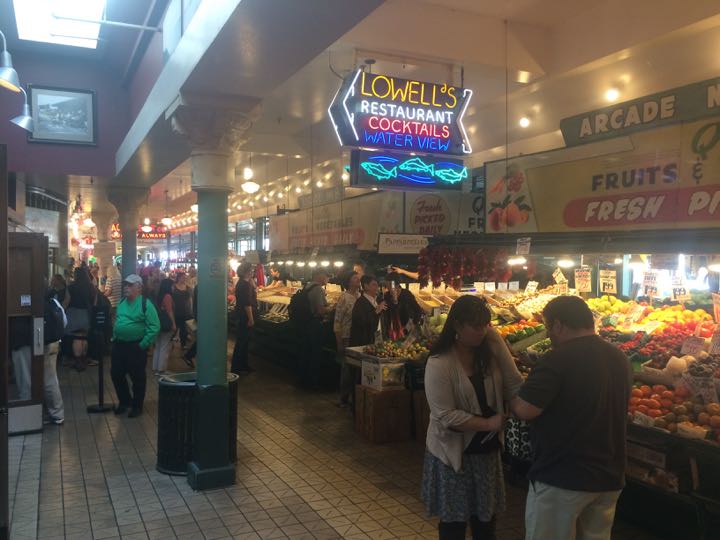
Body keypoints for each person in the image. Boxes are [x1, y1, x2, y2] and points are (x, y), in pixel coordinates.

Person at [510, 296, 632, 540]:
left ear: (558, 325)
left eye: (547, 327)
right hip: (609, 476)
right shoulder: (619, 357)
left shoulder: (558, 358)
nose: (549, 334)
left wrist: (509, 390)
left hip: (563, 475)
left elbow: (525, 410)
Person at [422, 295, 523, 540]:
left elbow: (515, 386)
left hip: (487, 455)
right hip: (454, 457)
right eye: (476, 326)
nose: (482, 332)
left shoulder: (487, 357)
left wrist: (499, 345)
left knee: (485, 523)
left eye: (486, 325)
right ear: (457, 326)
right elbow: (445, 415)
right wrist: (488, 423)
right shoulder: (439, 363)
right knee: (454, 525)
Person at [111, 274, 160, 418]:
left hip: (135, 346)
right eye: (126, 285)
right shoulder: (121, 302)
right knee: (116, 374)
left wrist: (143, 344)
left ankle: (137, 405)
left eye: (130, 285)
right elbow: (118, 320)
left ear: (139, 287)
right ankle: (125, 401)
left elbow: (155, 326)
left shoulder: (145, 304)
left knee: (137, 377)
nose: (127, 287)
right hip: (119, 345)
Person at [333, 272, 361, 407]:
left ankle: (354, 397)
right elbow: (337, 320)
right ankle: (343, 397)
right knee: (347, 368)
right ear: (349, 282)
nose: (358, 280)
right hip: (346, 337)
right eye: (355, 278)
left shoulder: (360, 296)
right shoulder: (344, 298)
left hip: (358, 336)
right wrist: (339, 341)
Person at [304, 269, 332, 388]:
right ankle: (313, 381)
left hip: (306, 323)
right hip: (315, 324)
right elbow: (320, 311)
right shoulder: (318, 289)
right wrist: (332, 308)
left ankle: (306, 378)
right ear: (319, 276)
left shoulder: (307, 287)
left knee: (307, 351)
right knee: (315, 353)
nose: (328, 279)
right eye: (327, 276)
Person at [43, 291, 66, 425]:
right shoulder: (54, 302)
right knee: (51, 378)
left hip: (43, 344)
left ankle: (55, 413)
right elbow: (64, 321)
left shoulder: (37, 303)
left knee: (48, 379)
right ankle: (56, 413)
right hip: (54, 343)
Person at [64, 267, 94, 371]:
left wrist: (62, 310)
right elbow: (93, 302)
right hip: (86, 313)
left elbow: (67, 301)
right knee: (83, 337)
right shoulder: (91, 286)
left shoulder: (71, 287)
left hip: (73, 313)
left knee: (76, 338)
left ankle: (77, 361)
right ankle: (83, 359)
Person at [230, 263, 257, 374]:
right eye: (251, 270)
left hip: (241, 315)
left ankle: (243, 365)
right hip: (245, 317)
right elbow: (247, 304)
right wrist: (251, 318)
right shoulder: (245, 285)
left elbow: (254, 288)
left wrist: (251, 281)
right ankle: (237, 368)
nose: (252, 272)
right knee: (242, 342)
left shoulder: (243, 283)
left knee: (244, 342)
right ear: (246, 271)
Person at [349, 275, 387, 347]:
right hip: (364, 343)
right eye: (374, 285)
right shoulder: (360, 303)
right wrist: (376, 311)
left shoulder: (378, 300)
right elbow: (361, 322)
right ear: (366, 286)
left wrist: (395, 300)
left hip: (378, 341)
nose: (377, 287)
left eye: (377, 285)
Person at [384, 272, 424, 339]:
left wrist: (414, 323)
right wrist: (395, 300)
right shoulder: (387, 296)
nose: (387, 288)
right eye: (387, 285)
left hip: (407, 329)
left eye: (390, 285)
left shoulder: (406, 294)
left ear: (396, 285)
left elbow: (418, 310)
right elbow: (390, 314)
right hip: (393, 330)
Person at [152, 278, 177, 375]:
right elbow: (169, 311)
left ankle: (155, 368)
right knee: (164, 346)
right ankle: (161, 369)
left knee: (158, 345)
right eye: (172, 285)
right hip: (166, 324)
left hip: (158, 323)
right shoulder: (168, 296)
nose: (173, 287)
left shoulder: (159, 295)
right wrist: (173, 324)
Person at [87, 282, 112, 368]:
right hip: (105, 321)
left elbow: (94, 307)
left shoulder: (95, 295)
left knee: (95, 336)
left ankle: (96, 358)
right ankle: (98, 356)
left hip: (99, 321)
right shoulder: (101, 295)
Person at [9, 316, 33, 401]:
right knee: (23, 375)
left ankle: (26, 402)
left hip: (20, 338)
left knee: (24, 376)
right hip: (21, 337)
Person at [172, 272, 193, 349]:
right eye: (182, 277)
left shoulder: (188, 287)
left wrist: (191, 309)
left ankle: (183, 344)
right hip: (176, 310)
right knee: (175, 328)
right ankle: (170, 343)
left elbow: (190, 299)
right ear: (178, 277)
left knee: (184, 329)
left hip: (186, 311)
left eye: (185, 277)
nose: (184, 279)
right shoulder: (174, 287)